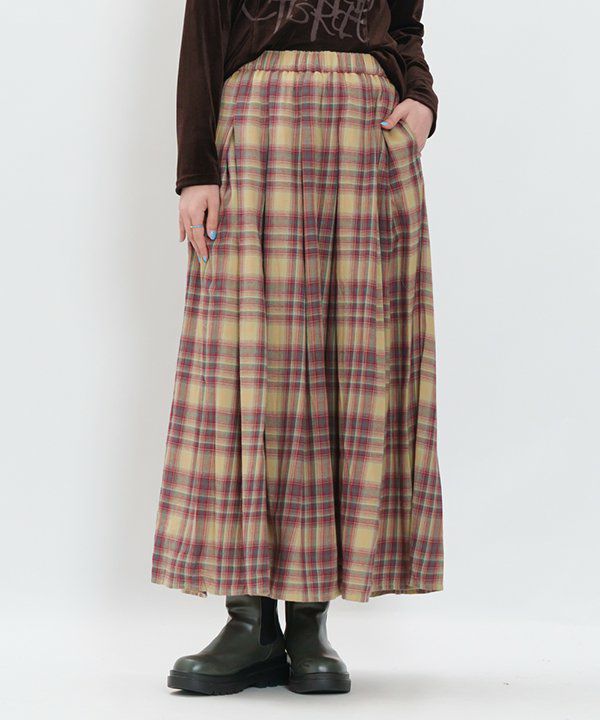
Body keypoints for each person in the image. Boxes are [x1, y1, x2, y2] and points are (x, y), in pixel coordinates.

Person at [151, 0, 444, 696]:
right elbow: (203, 39)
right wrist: (195, 170)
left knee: (351, 361)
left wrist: (423, 99)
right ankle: (249, 622)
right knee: (248, 367)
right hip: (258, 128)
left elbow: (405, 27)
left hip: (366, 136)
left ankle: (310, 620)